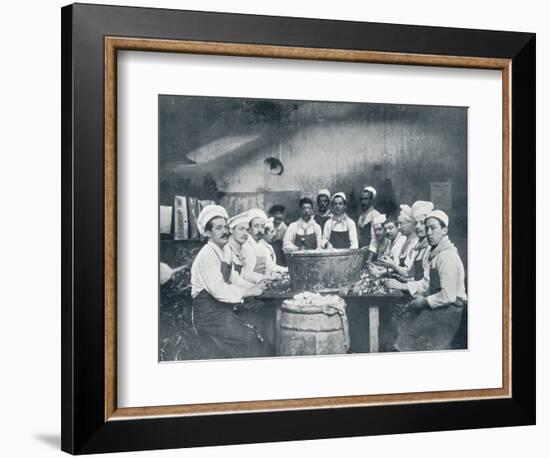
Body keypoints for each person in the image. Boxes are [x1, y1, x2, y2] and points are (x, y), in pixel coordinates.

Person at [190, 205, 268, 359]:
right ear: (207, 233)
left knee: (254, 330)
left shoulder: (224, 250)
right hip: (208, 313)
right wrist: (249, 291)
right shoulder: (207, 254)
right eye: (218, 228)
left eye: (225, 227)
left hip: (220, 308)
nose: (225, 231)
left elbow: (233, 277)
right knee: (248, 339)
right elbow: (218, 290)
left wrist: (256, 285)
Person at [393, 210, 467, 352]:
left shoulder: (447, 256)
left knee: (407, 340)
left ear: (444, 230)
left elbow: (448, 296)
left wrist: (423, 301)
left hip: (450, 311)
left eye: (433, 228)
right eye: (427, 228)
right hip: (439, 307)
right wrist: (407, 288)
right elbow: (426, 283)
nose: (428, 232)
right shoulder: (433, 254)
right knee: (403, 328)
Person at [384, 200, 434, 292]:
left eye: (422, 223)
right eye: (416, 223)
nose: (418, 227)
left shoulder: (431, 248)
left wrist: (402, 285)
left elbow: (427, 284)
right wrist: (403, 280)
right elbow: (412, 275)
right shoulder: (418, 247)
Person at [242, 208, 288, 283]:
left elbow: (271, 266)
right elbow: (247, 274)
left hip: (263, 281)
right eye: (256, 226)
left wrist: (287, 269)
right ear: (249, 228)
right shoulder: (245, 245)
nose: (260, 230)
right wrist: (269, 276)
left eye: (262, 226)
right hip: (250, 284)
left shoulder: (261, 244)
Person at [377, 204, 418, 277]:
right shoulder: (404, 241)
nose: (398, 228)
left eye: (401, 223)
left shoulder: (416, 243)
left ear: (411, 223)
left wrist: (392, 266)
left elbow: (409, 274)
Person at [357, 186, 381, 260]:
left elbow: (376, 240)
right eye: (362, 199)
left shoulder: (376, 215)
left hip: (372, 255)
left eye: (366, 199)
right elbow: (359, 238)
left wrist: (369, 259)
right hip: (362, 254)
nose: (363, 202)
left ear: (371, 200)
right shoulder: (361, 217)